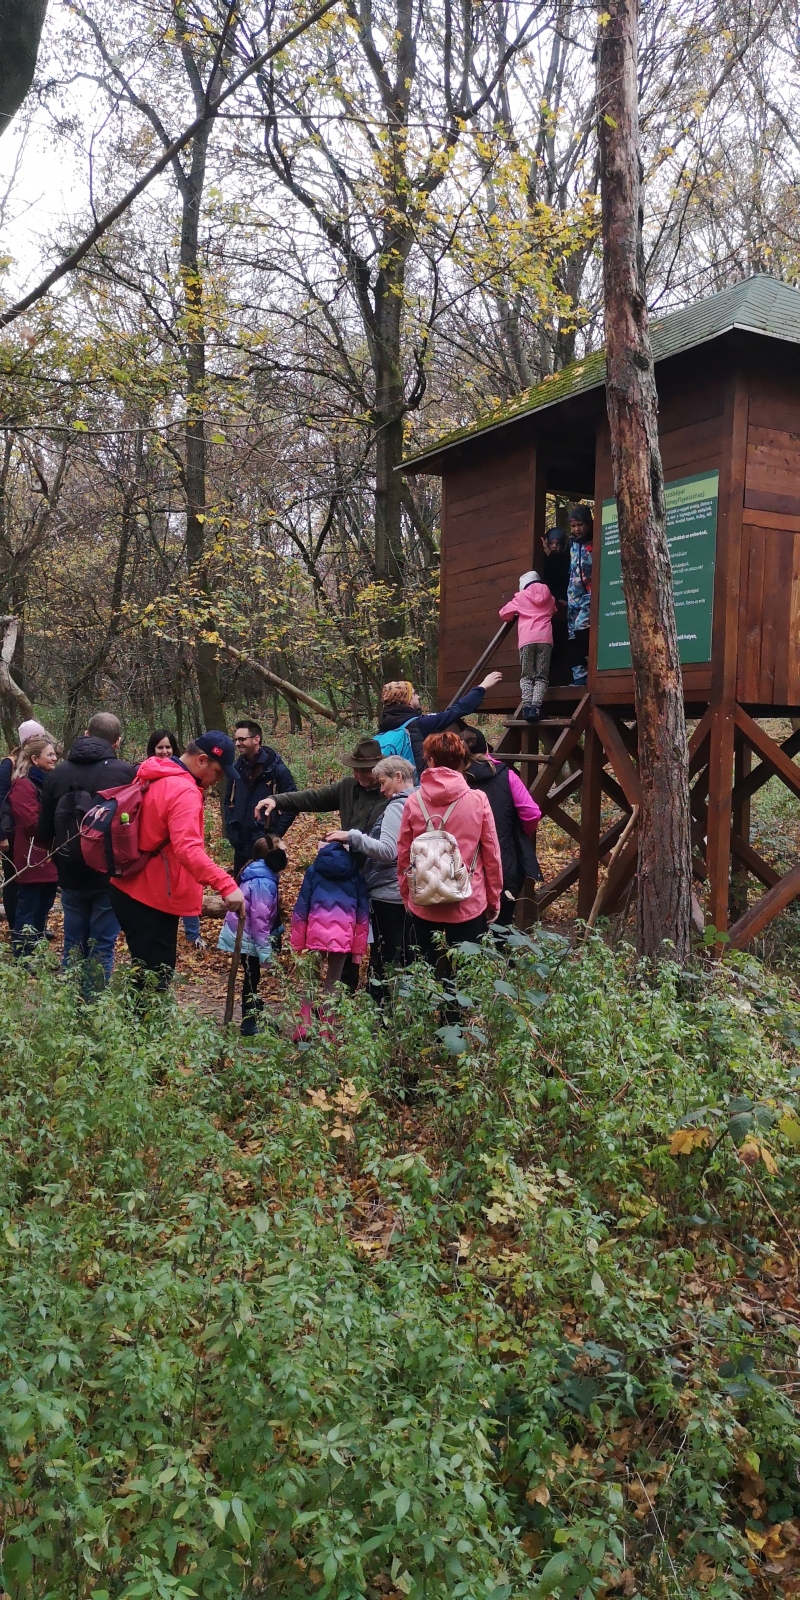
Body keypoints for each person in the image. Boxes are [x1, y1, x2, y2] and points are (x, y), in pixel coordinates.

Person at [109, 732, 243, 990]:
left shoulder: (156, 774)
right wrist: (226, 885)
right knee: (154, 980)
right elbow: (188, 850)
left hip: (132, 888)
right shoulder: (184, 791)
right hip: (151, 895)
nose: (217, 780)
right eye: (218, 772)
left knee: (146, 974)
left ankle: (134, 1016)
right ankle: (138, 1018)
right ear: (202, 760)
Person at [256, 736, 387, 992]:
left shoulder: (389, 793)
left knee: (376, 939)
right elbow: (313, 798)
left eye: (365, 770)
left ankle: (377, 993)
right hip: (346, 877)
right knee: (343, 933)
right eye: (356, 769)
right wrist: (278, 800)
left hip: (380, 876)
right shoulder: (348, 787)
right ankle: (342, 994)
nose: (358, 775)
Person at [38, 711, 136, 991]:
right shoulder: (126, 774)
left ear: (85, 734)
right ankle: (94, 1007)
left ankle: (71, 1005)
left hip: (69, 871)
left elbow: (43, 832)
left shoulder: (57, 774)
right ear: (117, 742)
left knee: (73, 942)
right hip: (109, 873)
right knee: (102, 944)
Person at [397, 731, 503, 970]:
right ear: (461, 760)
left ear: (430, 760)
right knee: (467, 975)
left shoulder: (414, 801)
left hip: (424, 900)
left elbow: (403, 854)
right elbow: (492, 855)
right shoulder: (478, 800)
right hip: (468, 899)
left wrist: (406, 894)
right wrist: (493, 899)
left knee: (425, 973)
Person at [327, 754, 416, 1004]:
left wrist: (352, 836)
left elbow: (388, 851)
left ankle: (379, 1009)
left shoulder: (398, 806)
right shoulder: (421, 800)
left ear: (398, 777)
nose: (381, 789)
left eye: (383, 782)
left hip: (389, 894)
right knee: (407, 953)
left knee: (383, 956)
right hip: (413, 892)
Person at [462, 727, 542, 925]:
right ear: (486, 749)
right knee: (501, 928)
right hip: (505, 862)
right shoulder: (507, 776)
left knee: (467, 930)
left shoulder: (456, 779)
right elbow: (532, 813)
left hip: (463, 865)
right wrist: (518, 833)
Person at [217, 834, 287, 1036]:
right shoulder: (262, 882)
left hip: (249, 935)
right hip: (247, 936)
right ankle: (249, 1022)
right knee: (251, 977)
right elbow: (259, 921)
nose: (287, 855)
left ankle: (257, 1014)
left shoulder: (263, 875)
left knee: (252, 977)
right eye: (283, 851)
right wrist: (265, 953)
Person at [145, 730, 207, 950]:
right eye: (160, 747)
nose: (164, 751)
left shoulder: (187, 783)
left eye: (168, 747)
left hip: (180, 847)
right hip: (158, 853)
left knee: (187, 884)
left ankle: (193, 934)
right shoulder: (148, 777)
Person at [377, 670, 504, 776]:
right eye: (414, 694)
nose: (418, 697)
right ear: (407, 700)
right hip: (415, 788)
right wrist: (482, 687)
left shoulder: (384, 726)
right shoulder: (419, 724)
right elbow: (457, 710)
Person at [290, 841, 370, 994]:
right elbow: (363, 915)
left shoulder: (313, 871)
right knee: (334, 981)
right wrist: (358, 951)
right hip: (343, 934)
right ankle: (329, 1010)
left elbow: (301, 907)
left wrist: (297, 944)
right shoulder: (355, 874)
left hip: (316, 931)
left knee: (310, 978)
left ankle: (306, 1009)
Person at [224, 719, 296, 876]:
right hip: (241, 845)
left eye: (242, 739)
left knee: (265, 885)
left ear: (256, 739)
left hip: (266, 848)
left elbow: (293, 803)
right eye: (236, 739)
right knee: (240, 886)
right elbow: (228, 801)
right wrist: (232, 831)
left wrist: (274, 835)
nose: (237, 743)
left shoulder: (276, 770)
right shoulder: (236, 769)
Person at [8, 735, 59, 956]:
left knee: (44, 907)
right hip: (31, 854)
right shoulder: (23, 785)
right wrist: (55, 825)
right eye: (50, 754)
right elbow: (30, 823)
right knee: (28, 908)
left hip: (49, 855)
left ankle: (37, 955)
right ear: (35, 759)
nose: (54, 758)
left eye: (55, 754)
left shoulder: (49, 784)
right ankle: (22, 954)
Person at [0, 717, 48, 931]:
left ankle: (38, 926)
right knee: (14, 879)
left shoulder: (41, 763)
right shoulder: (9, 764)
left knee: (38, 878)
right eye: (36, 736)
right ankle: (16, 927)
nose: (40, 739)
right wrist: (1, 835)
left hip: (32, 833)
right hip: (11, 832)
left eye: (42, 736)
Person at [498, 570, 557, 723]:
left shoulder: (521, 597)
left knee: (527, 675)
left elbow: (504, 613)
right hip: (545, 640)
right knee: (541, 676)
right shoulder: (550, 598)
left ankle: (526, 707)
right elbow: (553, 610)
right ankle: (536, 708)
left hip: (527, 640)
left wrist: (516, 613)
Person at [540, 526, 572, 684]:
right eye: (551, 543)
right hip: (549, 608)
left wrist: (565, 598)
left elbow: (567, 580)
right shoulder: (544, 560)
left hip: (563, 607)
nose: (554, 547)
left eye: (557, 543)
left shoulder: (567, 559)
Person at [567, 504, 593, 685]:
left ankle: (590, 666)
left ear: (588, 524)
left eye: (580, 525)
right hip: (573, 595)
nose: (577, 529)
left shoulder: (594, 541)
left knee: (581, 627)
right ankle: (579, 676)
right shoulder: (571, 544)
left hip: (589, 593)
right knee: (572, 634)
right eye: (573, 526)